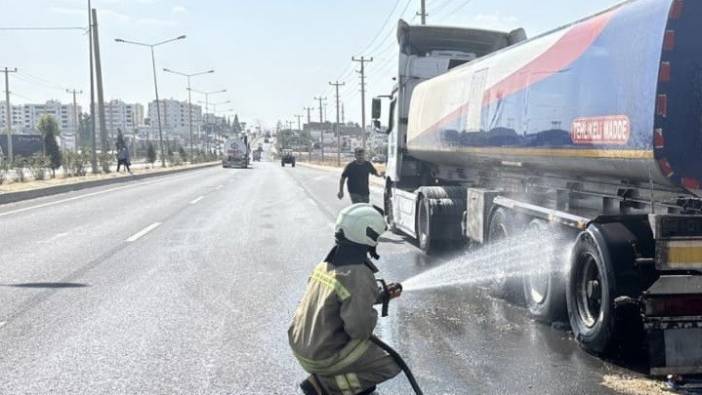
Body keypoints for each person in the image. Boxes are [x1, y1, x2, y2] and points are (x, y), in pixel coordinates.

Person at [289, 204, 402, 395]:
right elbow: (359, 329)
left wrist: (379, 296)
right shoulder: (358, 273)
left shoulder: (326, 266)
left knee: (365, 359)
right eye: (376, 237)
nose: (377, 242)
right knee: (390, 364)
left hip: (303, 346)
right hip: (322, 356)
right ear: (367, 234)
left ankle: (339, 383)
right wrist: (369, 311)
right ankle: (326, 386)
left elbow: (339, 299)